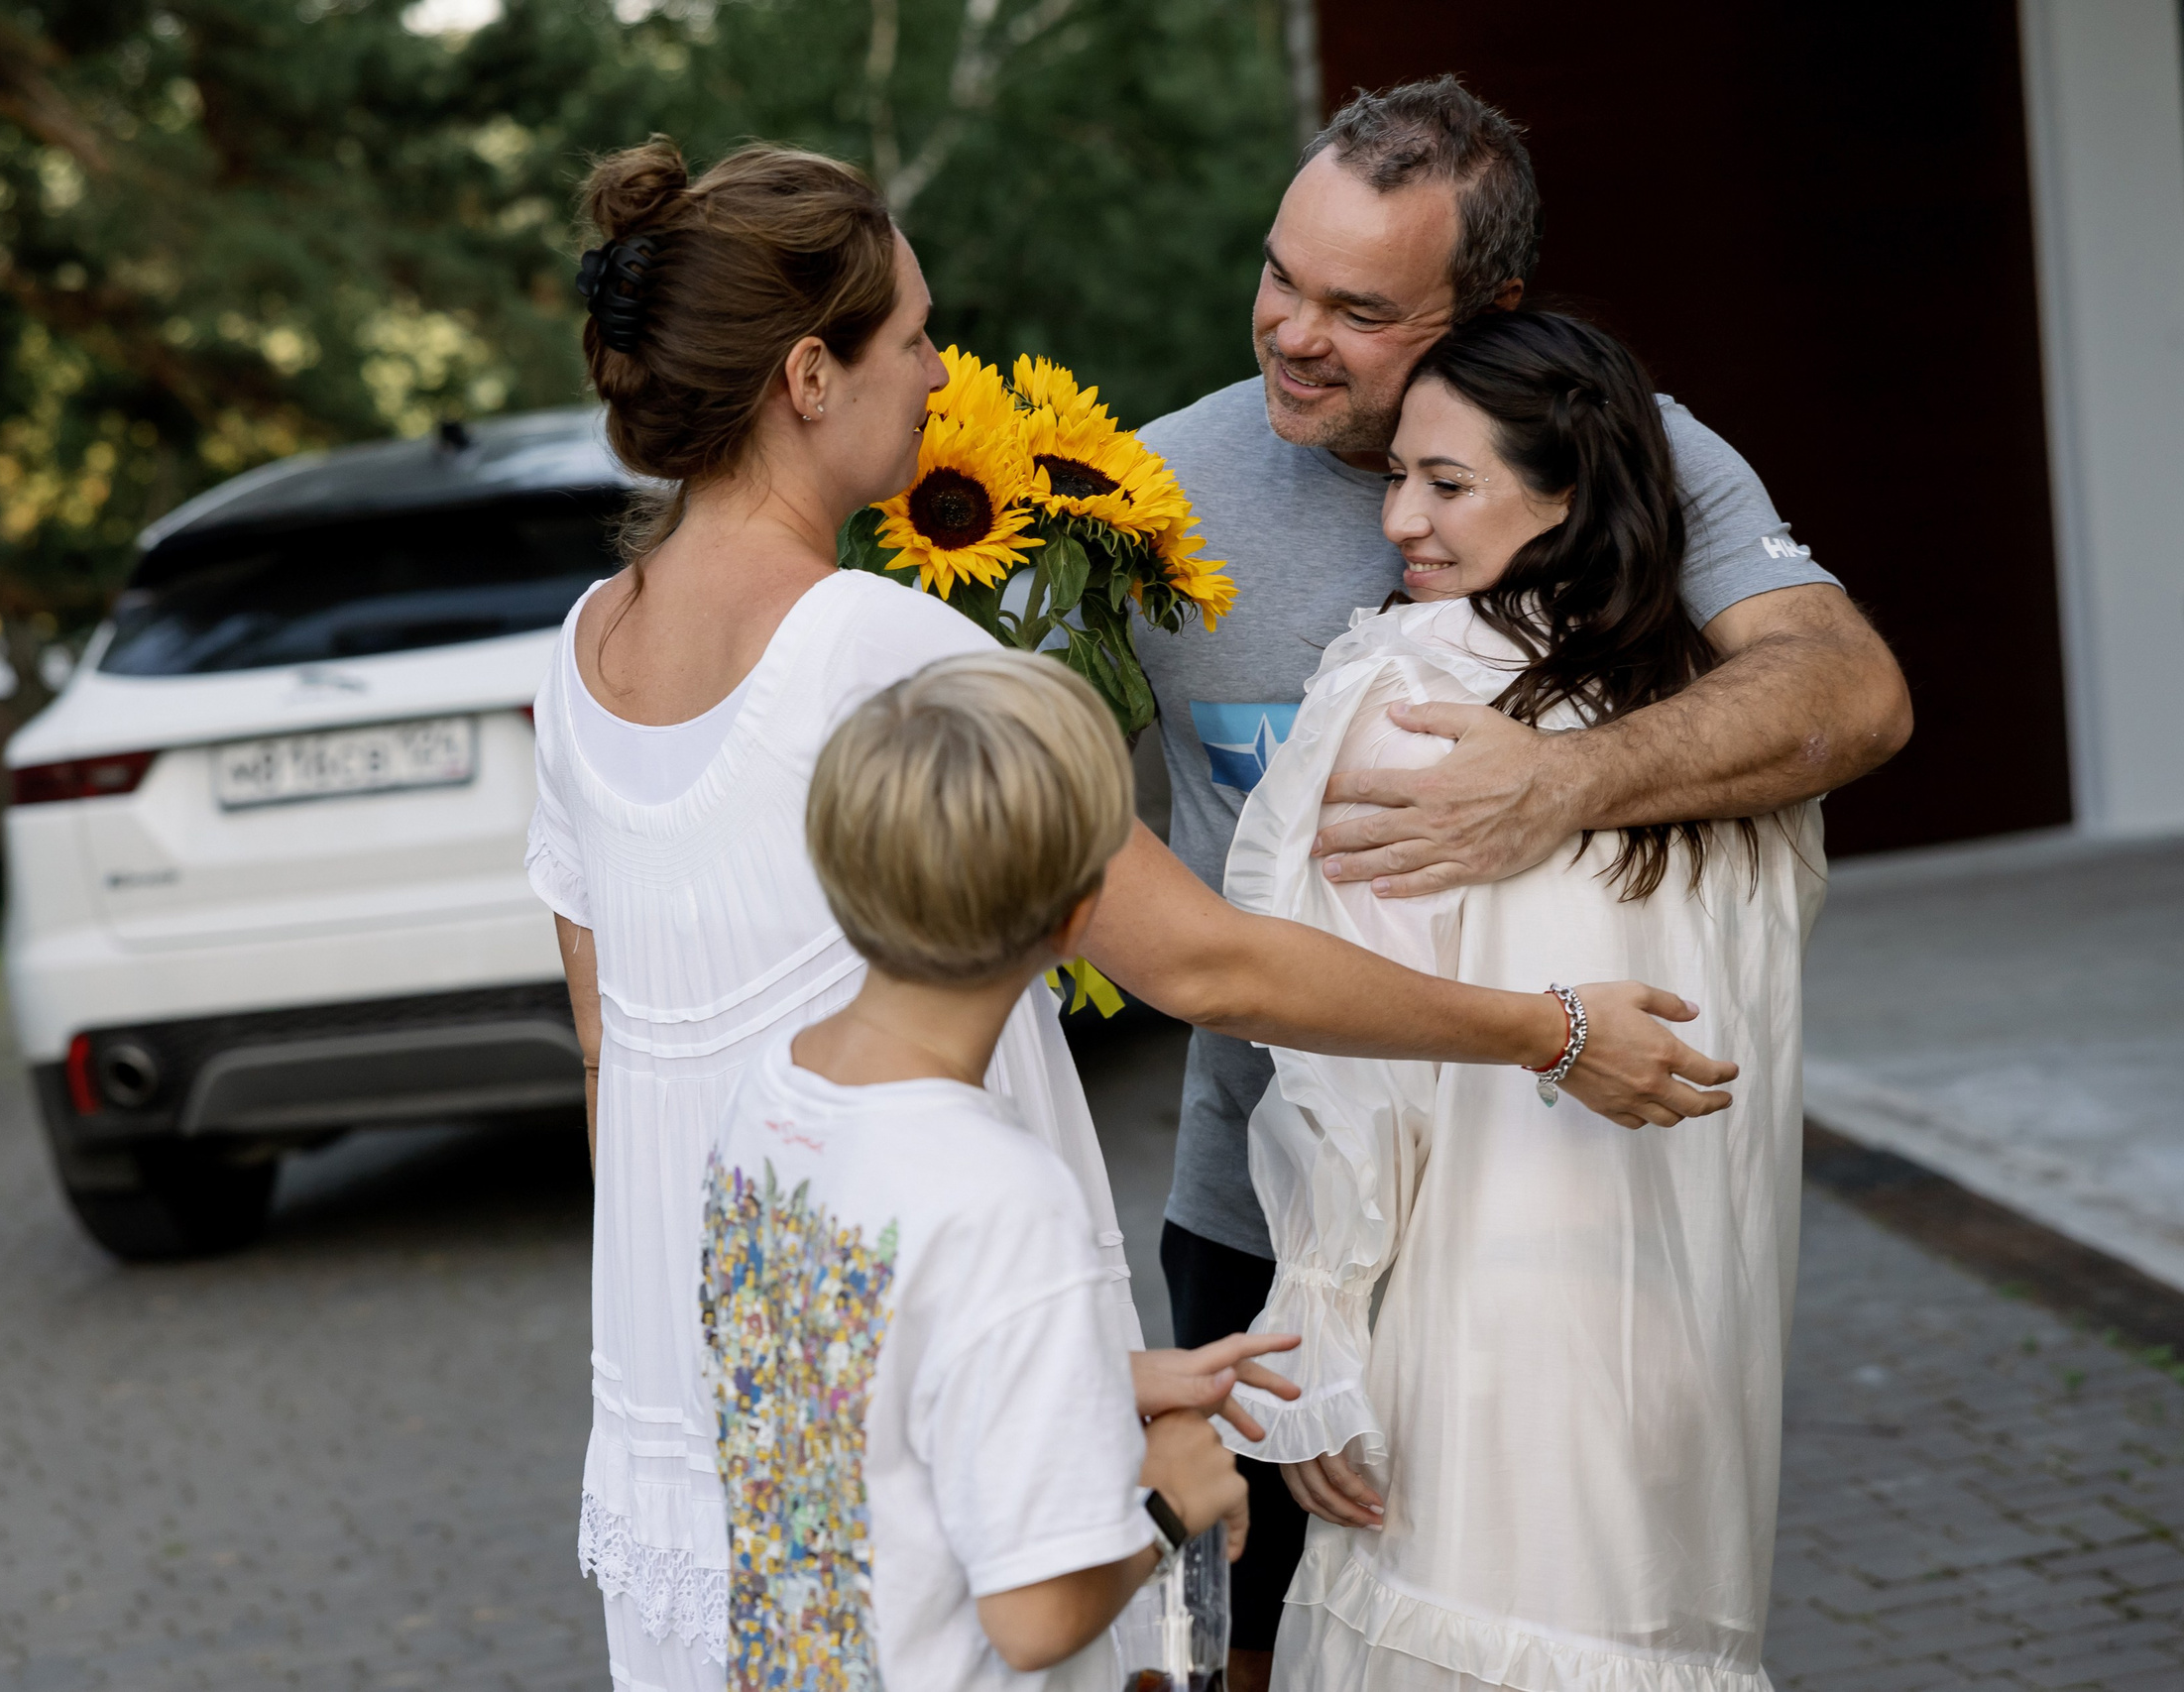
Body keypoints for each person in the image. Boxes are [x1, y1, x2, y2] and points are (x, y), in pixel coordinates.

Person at [528, 137, 1739, 1692]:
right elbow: (1201, 956)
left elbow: (612, 1060)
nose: (938, 372)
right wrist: (1549, 1027)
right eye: (915, 336)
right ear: (811, 376)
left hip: (726, 1374)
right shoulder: (879, 646)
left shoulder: (583, 650)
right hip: (923, 1356)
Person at [1130, 76, 1911, 1680]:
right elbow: (1023, 800)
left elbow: (1849, 691)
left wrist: (1559, 781)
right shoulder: (1137, 498)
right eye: (1281, 275)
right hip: (1260, 1201)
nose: (1293, 334)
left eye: (1361, 310)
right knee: (1236, 1651)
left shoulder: (1626, 448)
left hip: (1547, 1226)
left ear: (1488, 307)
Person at [1217, 308, 1825, 1691]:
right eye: (1398, 477)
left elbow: (1345, 1069)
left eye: (1447, 482)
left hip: (1477, 1348)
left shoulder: (1409, 698)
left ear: (1565, 495)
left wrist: (1314, 1340)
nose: (1398, 522)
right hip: (1692, 1330)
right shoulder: (1733, 738)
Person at [701, 649, 1251, 1689]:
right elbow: (1035, 1620)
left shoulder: (771, 1091)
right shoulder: (1002, 1195)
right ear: (1077, 918)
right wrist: (1174, 1493)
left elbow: (860, 1368)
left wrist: (1097, 1379)